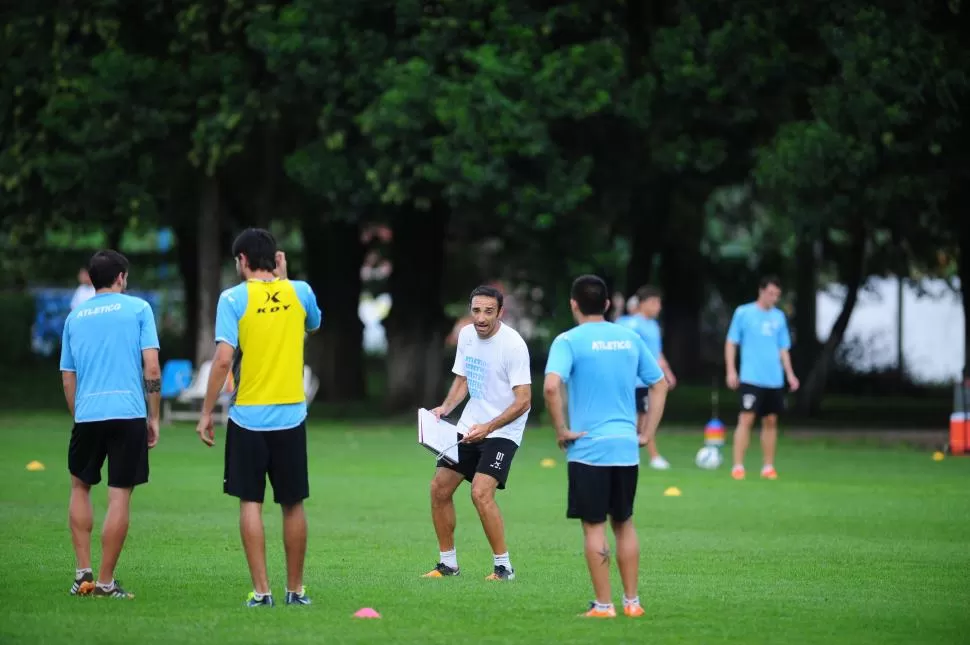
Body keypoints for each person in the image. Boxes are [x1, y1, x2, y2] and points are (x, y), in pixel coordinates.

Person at [195, 228, 322, 608]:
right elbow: (312, 324)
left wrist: (206, 413)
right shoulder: (300, 291)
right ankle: (296, 591)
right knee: (293, 503)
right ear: (275, 259)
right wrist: (285, 278)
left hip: (248, 416)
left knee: (250, 501)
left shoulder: (233, 298)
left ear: (243, 261)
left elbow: (222, 359)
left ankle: (263, 592)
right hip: (292, 415)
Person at [543, 275, 668, 618]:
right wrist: (646, 434)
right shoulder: (629, 338)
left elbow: (552, 387)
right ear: (608, 305)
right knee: (624, 523)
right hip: (625, 447)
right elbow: (660, 384)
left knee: (594, 526)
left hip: (589, 448)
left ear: (573, 304)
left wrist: (562, 429)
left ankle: (604, 605)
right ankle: (632, 603)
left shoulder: (567, 340)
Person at [59, 250, 161, 599]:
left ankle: (82, 574)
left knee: (79, 487)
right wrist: (155, 415)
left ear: (91, 278)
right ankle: (105, 582)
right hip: (129, 412)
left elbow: (67, 376)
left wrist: (79, 414)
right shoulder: (139, 309)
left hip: (88, 413)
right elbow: (151, 367)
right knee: (119, 495)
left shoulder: (75, 317)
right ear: (120, 278)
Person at [424, 285, 532, 581]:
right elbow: (464, 379)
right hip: (469, 425)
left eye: (488, 311)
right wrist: (445, 408)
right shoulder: (467, 336)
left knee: (481, 493)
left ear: (500, 312)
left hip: (503, 430)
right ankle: (448, 565)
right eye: (476, 311)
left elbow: (524, 401)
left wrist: (489, 427)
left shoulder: (513, 345)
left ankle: (503, 567)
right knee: (439, 489)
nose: (481, 318)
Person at [724, 275, 799, 480]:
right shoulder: (744, 312)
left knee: (771, 421)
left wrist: (790, 374)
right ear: (761, 291)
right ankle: (738, 466)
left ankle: (768, 466)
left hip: (773, 379)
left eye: (777, 295)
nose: (774, 298)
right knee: (746, 418)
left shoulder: (779, 317)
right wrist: (731, 370)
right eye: (771, 293)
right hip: (751, 377)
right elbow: (731, 342)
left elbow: (783, 349)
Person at [615, 285, 677, 470]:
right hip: (630, 380)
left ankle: (638, 455)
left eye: (659, 302)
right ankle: (651, 456)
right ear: (643, 304)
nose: (658, 306)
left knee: (643, 418)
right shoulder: (629, 323)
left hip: (646, 381)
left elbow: (656, 353)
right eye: (654, 302)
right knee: (636, 419)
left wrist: (668, 373)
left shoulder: (653, 326)